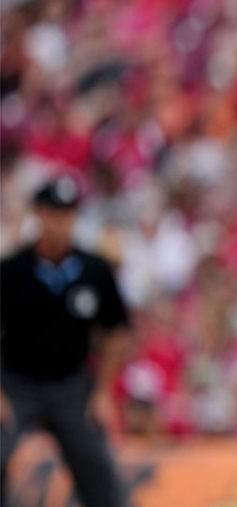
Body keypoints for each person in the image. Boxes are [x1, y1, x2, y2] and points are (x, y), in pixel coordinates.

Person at [1, 177, 130, 507]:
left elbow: (115, 331)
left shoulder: (93, 270)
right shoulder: (12, 271)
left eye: (69, 214)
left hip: (71, 385)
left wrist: (102, 392)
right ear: (39, 215)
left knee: (100, 472)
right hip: (16, 384)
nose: (62, 222)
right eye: (55, 213)